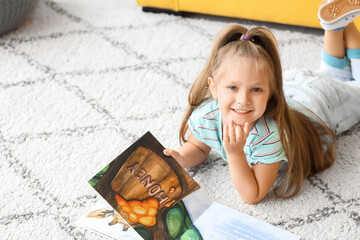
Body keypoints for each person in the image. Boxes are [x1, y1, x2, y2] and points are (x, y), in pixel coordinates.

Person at [164, 0, 360, 204]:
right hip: (295, 86)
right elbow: (198, 147)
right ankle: (336, 25)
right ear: (213, 87)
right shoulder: (206, 114)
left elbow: (253, 195)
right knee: (331, 74)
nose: (243, 100)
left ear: (270, 92)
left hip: (320, 102)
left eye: (256, 90)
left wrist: (235, 153)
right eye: (232, 87)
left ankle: (340, 25)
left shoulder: (269, 134)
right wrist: (181, 157)